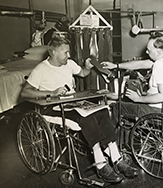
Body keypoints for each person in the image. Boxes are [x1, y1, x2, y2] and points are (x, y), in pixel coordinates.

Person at [21, 36, 138, 184]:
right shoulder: (41, 69)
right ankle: (100, 163)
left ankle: (116, 158)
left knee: (101, 111)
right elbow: (25, 92)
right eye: (66, 52)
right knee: (86, 117)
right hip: (53, 107)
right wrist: (51, 92)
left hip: (73, 103)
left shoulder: (68, 64)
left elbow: (82, 73)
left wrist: (88, 67)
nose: (69, 55)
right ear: (53, 52)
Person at [101, 31, 163, 123]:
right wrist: (115, 66)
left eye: (149, 50)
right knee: (130, 100)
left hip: (156, 111)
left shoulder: (160, 65)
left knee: (117, 107)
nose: (146, 52)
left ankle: (115, 137)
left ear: (158, 52)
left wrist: (138, 99)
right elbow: (141, 64)